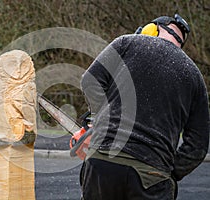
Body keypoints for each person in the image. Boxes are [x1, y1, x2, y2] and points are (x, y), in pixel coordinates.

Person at [79, 14, 209, 200]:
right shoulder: (193, 75)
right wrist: (170, 171)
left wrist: (103, 120)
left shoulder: (127, 43)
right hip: (152, 174)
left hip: (103, 163)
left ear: (151, 29)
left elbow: (90, 82)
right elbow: (198, 146)